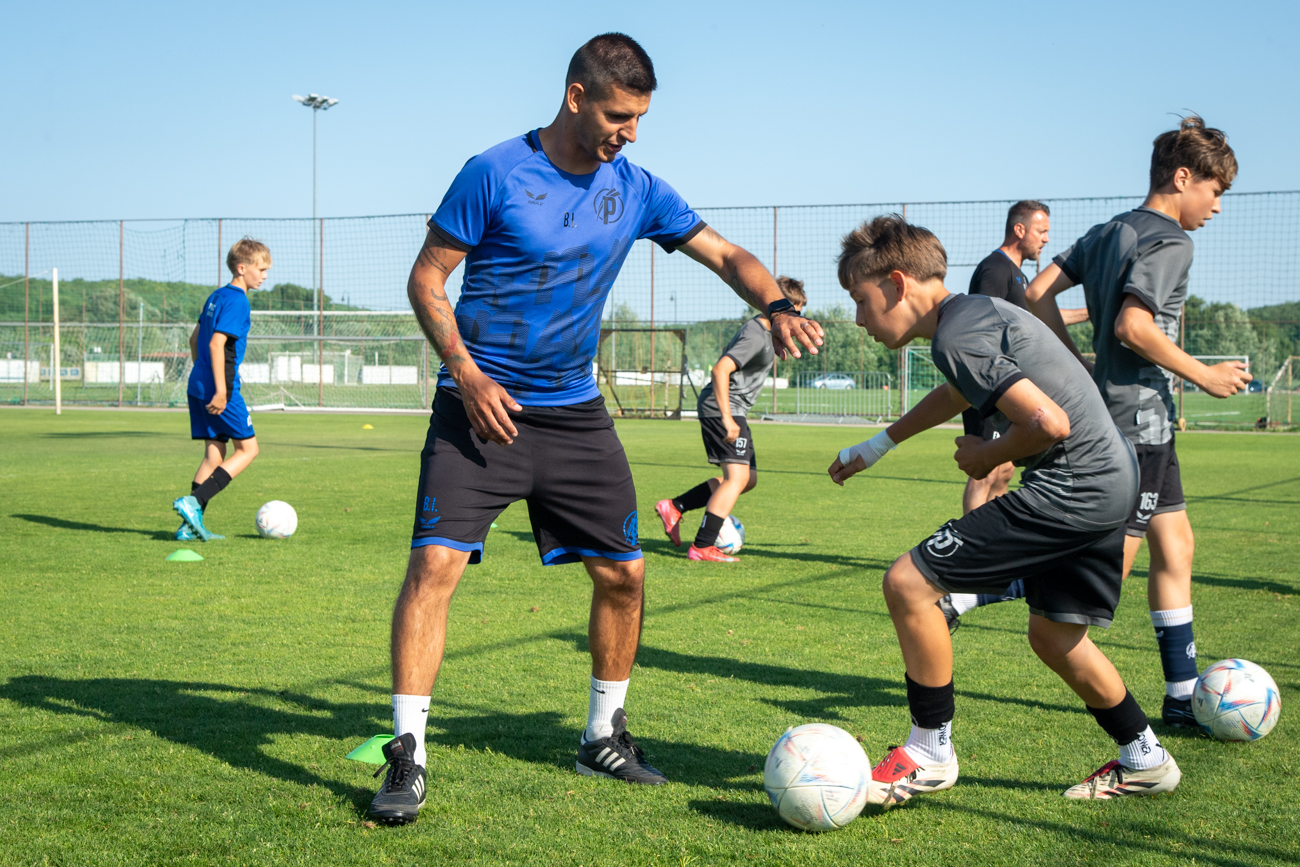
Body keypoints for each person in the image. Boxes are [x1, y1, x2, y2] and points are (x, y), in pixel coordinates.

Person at [367, 33, 824, 826]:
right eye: (619, 114)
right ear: (576, 95)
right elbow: (427, 277)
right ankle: (407, 754)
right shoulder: (495, 173)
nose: (630, 132)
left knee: (626, 575)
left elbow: (725, 253)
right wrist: (466, 373)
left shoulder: (638, 186)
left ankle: (601, 733)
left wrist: (776, 303)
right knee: (434, 567)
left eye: (641, 117)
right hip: (480, 407)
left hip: (575, 415)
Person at [829, 215, 1179, 805]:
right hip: (1113, 481)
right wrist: (878, 445)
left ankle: (929, 752)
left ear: (896, 283)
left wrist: (987, 453)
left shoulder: (956, 332)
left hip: (1076, 485)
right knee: (1054, 635)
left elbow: (1048, 423)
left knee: (908, 584)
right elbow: (959, 391)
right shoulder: (973, 315)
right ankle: (1145, 757)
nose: (859, 319)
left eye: (861, 301)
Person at [1025, 115, 1246, 728]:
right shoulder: (1174, 240)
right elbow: (1133, 326)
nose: (1217, 206)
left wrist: (1074, 364)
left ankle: (1181, 696)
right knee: (1106, 569)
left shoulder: (1109, 229)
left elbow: (1036, 294)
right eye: (1215, 190)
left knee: (1176, 544)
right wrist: (1205, 375)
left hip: (1131, 416)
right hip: (1138, 420)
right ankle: (974, 589)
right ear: (1183, 178)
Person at [940, 201, 1088, 627]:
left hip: (1010, 389)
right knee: (986, 471)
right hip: (991, 387)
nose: (1046, 238)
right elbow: (980, 328)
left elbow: (1035, 323)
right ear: (1019, 229)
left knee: (1003, 471)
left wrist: (1089, 312)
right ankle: (970, 555)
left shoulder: (1020, 276)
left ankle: (996, 548)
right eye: (1041, 230)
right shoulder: (995, 269)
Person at [655, 276, 806, 562]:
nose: (796, 320)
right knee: (737, 477)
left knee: (747, 479)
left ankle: (675, 506)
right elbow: (720, 370)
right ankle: (702, 546)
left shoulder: (767, 334)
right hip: (723, 407)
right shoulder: (755, 332)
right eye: (795, 312)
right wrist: (728, 419)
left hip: (734, 408)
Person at [172, 238, 267, 541]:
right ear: (242, 268)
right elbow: (217, 343)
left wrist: (203, 377)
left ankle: (188, 528)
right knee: (248, 449)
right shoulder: (238, 300)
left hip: (196, 382)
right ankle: (194, 502)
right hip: (219, 386)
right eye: (261, 269)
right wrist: (221, 390)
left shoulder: (216, 296)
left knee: (215, 454)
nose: (264, 275)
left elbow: (194, 340)